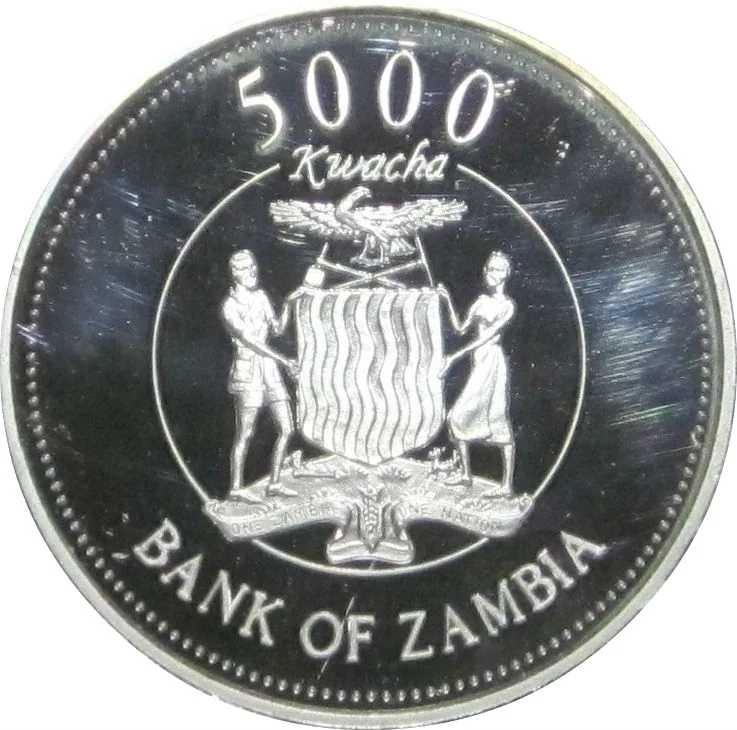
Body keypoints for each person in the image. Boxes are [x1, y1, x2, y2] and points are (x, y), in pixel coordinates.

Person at [221, 249, 296, 503]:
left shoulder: (262, 297)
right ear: (235, 274)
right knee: (246, 433)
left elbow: (277, 330)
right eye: (246, 268)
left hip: (269, 370)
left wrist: (291, 302)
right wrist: (284, 360)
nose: (253, 271)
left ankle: (274, 483)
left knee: (287, 428)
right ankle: (236, 488)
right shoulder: (229, 307)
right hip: (248, 373)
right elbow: (251, 341)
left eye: (253, 266)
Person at [438, 251, 516, 495]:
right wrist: (446, 299)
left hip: (493, 362)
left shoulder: (507, 306)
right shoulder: (480, 302)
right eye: (490, 269)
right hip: (479, 362)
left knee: (497, 418)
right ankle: (466, 476)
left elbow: (487, 337)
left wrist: (453, 358)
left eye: (498, 270)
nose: (492, 273)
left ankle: (506, 485)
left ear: (507, 274)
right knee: (456, 418)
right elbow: (460, 329)